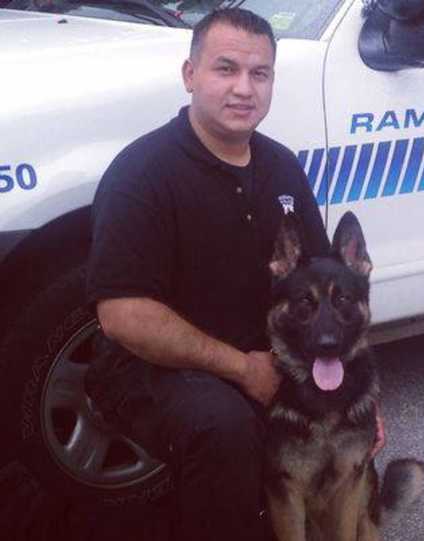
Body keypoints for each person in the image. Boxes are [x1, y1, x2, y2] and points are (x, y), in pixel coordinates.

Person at [84, 8, 383, 540]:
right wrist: (242, 369)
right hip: (151, 368)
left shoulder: (282, 167)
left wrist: (362, 405)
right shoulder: (143, 173)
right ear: (190, 75)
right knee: (225, 426)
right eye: (226, 69)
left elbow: (323, 282)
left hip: (263, 356)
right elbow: (123, 318)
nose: (244, 89)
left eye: (260, 74)